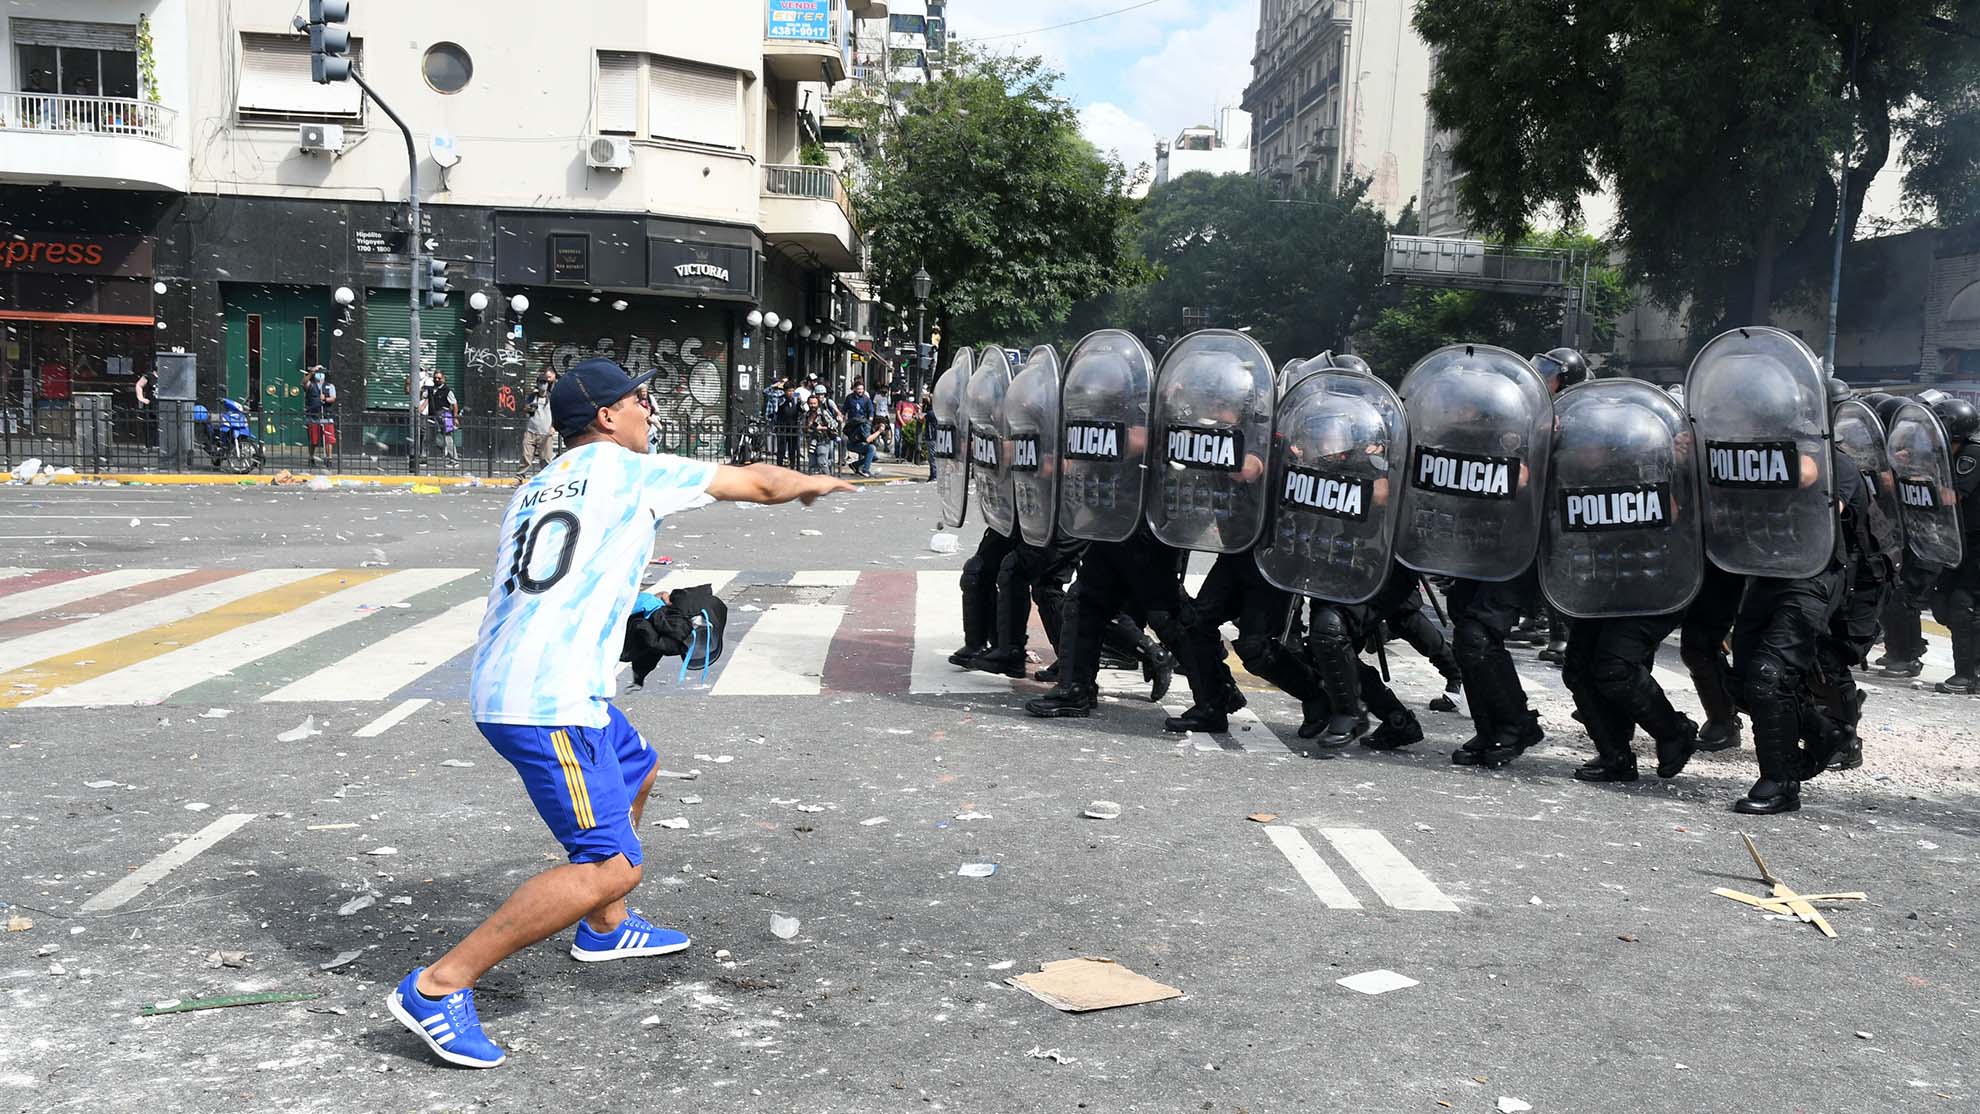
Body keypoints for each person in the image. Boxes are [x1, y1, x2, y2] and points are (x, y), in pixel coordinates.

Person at [388, 357, 851, 1069]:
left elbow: (561, 576)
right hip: (546, 701)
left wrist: (643, 605)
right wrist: (812, 483)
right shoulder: (625, 470)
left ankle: (604, 930)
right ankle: (438, 986)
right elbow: (756, 481)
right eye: (642, 401)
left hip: (535, 681)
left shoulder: (539, 486)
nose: (652, 412)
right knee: (609, 863)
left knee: (638, 765)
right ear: (606, 416)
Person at [1928, 396, 1980, 693]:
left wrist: (1919, 481)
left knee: (1963, 606)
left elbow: (1952, 497)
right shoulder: (1952, 454)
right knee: (1943, 602)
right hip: (1961, 543)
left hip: (1977, 545)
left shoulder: (1971, 454)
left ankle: (1967, 675)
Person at [519, 369, 558, 476]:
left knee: (545, 459)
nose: (543, 385)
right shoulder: (532, 396)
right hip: (531, 431)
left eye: (545, 383)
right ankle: (519, 477)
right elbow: (525, 409)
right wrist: (530, 408)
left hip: (545, 433)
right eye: (541, 382)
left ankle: (546, 478)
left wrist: (553, 427)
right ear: (537, 384)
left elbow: (556, 413)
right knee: (526, 456)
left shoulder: (551, 397)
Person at [420, 368, 460, 464]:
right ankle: (424, 457)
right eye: (435, 378)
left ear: (443, 379)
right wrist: (422, 406)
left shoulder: (447, 390)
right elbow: (426, 398)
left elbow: (454, 404)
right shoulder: (431, 389)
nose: (437, 380)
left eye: (439, 378)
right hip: (432, 415)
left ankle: (454, 459)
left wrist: (455, 418)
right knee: (427, 437)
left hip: (446, 415)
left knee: (448, 437)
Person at [303, 365, 337, 469]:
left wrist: (325, 399)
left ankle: (329, 458)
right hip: (313, 415)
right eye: (318, 373)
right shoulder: (311, 385)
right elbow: (304, 382)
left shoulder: (330, 386)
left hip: (326, 415)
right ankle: (311, 457)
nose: (319, 375)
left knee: (328, 438)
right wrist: (311, 373)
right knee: (313, 439)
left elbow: (333, 398)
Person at [843, 380, 877, 477]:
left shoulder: (866, 399)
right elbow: (844, 409)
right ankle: (865, 469)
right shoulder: (849, 398)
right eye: (858, 389)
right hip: (853, 426)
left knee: (873, 454)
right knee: (870, 448)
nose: (860, 391)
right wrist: (841, 416)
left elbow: (871, 410)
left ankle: (857, 465)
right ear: (854, 389)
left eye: (862, 389)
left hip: (863, 424)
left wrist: (870, 419)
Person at [802, 392, 839, 474]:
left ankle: (828, 480)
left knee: (822, 462)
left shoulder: (823, 413)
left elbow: (834, 425)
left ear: (818, 403)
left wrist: (821, 428)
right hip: (811, 441)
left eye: (814, 403)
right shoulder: (806, 415)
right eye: (811, 403)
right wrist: (807, 428)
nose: (812, 405)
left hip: (823, 440)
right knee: (812, 464)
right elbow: (803, 427)